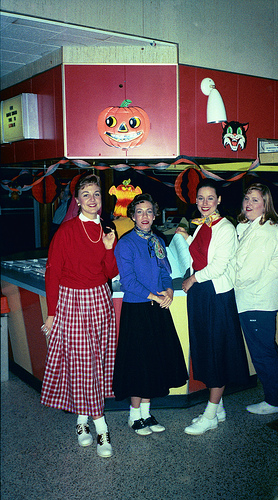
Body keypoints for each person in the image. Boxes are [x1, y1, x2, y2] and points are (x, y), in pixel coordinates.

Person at [40, 173, 118, 458]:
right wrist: (52, 313)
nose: (92, 199)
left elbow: (110, 272)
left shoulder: (107, 229)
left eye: (96, 194)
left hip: (99, 300)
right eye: (86, 194)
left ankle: (81, 420)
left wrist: (110, 249)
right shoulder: (67, 230)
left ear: (101, 199)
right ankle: (101, 427)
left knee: (95, 362)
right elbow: (53, 273)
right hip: (72, 301)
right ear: (77, 200)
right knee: (81, 362)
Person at [176, 178, 250, 436]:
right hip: (201, 293)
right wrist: (184, 240)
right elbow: (197, 257)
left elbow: (217, 266)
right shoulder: (201, 226)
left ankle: (210, 414)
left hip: (215, 295)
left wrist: (192, 279)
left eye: (210, 198)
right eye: (200, 198)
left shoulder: (225, 228)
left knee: (216, 350)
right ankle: (218, 409)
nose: (204, 203)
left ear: (219, 200)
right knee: (206, 349)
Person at [112, 193, 188, 435]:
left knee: (154, 361)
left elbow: (165, 272)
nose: (144, 216)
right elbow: (129, 282)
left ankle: (146, 413)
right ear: (132, 216)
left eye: (148, 211)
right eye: (139, 211)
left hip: (157, 308)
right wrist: (156, 296)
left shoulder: (157, 241)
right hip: (138, 308)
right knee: (138, 363)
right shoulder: (125, 243)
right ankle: (134, 416)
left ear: (155, 216)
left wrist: (168, 290)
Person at [235, 183, 278, 415]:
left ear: (266, 204)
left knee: (261, 349)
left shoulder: (265, 232)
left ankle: (273, 401)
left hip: (257, 298)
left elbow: (247, 274)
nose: (249, 203)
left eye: (255, 200)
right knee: (266, 341)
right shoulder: (255, 225)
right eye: (247, 198)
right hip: (263, 295)